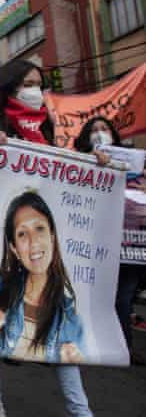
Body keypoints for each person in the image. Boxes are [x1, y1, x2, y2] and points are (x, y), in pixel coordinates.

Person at [0, 58, 95, 417]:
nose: (35, 91)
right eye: (28, 82)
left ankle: (80, 409)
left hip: (41, 242)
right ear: (10, 87)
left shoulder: (46, 127)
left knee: (56, 318)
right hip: (3, 238)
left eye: (39, 83)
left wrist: (93, 162)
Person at [0, 191, 84, 362]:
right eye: (22, 234)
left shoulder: (68, 312)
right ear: (14, 249)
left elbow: (77, 371)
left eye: (39, 228)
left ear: (52, 236)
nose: (33, 242)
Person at [74, 116, 146, 365]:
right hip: (95, 242)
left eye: (104, 129)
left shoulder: (134, 163)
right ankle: (105, 344)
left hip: (133, 242)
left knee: (124, 296)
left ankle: (121, 345)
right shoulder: (79, 160)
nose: (100, 133)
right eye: (94, 130)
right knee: (103, 296)